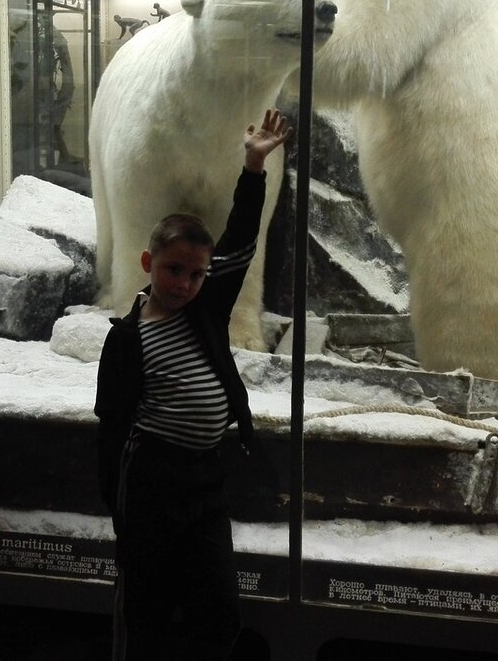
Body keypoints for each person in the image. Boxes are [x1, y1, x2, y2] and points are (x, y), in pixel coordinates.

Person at [94, 108, 291, 661]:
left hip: (204, 481)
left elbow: (240, 233)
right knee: (145, 609)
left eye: (196, 274)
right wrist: (119, 505)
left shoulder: (205, 311)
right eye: (173, 270)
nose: (185, 283)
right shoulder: (127, 340)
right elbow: (111, 429)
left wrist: (254, 165)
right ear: (147, 264)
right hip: (151, 482)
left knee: (219, 609)